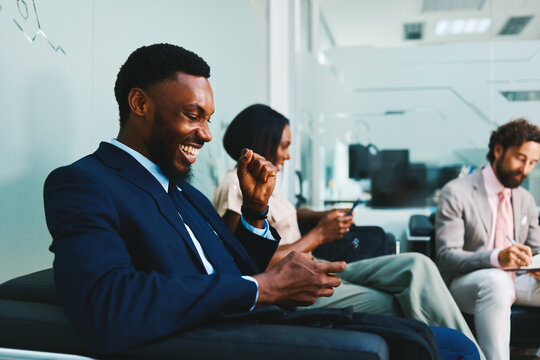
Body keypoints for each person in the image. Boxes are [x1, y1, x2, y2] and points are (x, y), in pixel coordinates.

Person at [44, 43, 478, 358]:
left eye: (209, 119)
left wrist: (254, 213)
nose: (207, 134)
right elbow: (108, 303)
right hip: (233, 337)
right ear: (139, 103)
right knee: (449, 345)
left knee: (439, 339)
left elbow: (233, 267)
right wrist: (263, 287)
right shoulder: (84, 183)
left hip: (261, 321)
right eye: (192, 115)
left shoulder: (183, 191)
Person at [213, 104, 480, 350]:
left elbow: (289, 215)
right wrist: (319, 234)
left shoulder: (263, 186)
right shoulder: (235, 187)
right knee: (401, 299)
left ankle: (467, 352)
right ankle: (464, 352)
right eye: (283, 145)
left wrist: (323, 215)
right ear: (263, 142)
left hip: (315, 264)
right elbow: (249, 260)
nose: (288, 154)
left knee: (418, 265)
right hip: (298, 284)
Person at [436, 118, 540, 360]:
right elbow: (446, 257)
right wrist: (497, 257)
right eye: (520, 158)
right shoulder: (457, 192)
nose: (525, 169)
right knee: (497, 281)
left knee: (503, 281)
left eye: (533, 162)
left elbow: (536, 249)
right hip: (469, 282)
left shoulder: (524, 198)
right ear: (498, 150)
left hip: (519, 280)